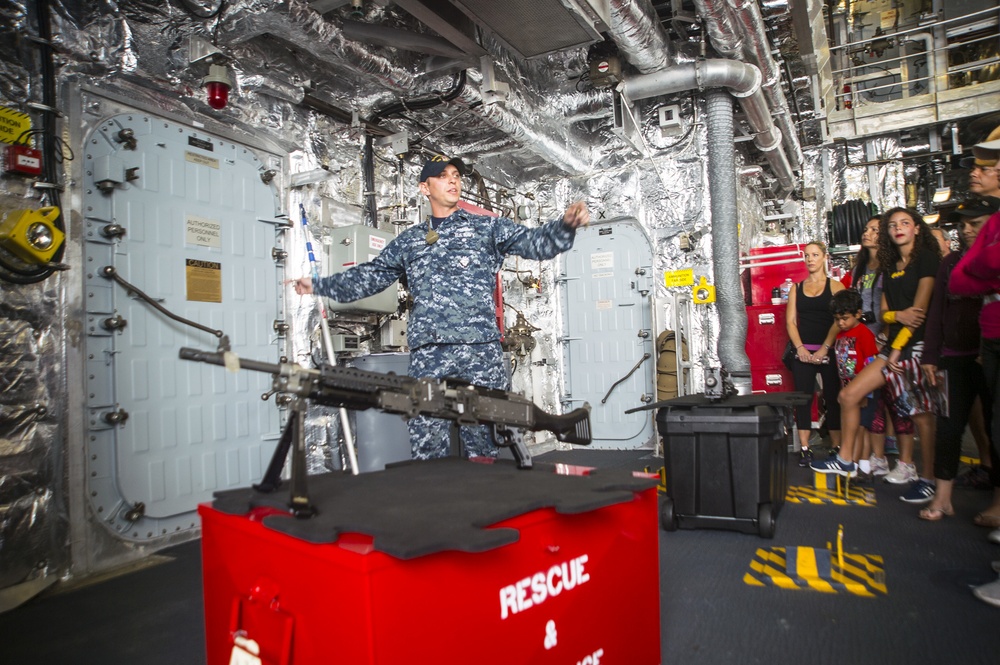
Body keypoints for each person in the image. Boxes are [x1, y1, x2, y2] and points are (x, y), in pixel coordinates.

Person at [290, 155, 590, 460]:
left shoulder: (486, 228)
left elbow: (535, 243)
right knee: (426, 439)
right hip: (430, 352)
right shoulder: (410, 241)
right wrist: (321, 285)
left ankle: (485, 501)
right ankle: (434, 501)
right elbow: (370, 277)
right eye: (443, 175)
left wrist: (565, 226)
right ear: (425, 187)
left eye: (456, 175)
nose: (453, 180)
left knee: (485, 439)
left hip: (479, 350)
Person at [812, 208, 941, 488]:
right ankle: (846, 459)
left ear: (917, 228)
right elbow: (886, 312)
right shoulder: (890, 265)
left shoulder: (926, 260)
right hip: (889, 346)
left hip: (914, 345)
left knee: (918, 415)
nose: (898, 229)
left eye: (904, 223)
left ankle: (928, 478)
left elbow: (917, 313)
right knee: (849, 396)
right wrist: (897, 316)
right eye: (892, 225)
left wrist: (895, 342)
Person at [918, 197, 997, 520]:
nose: (966, 230)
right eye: (963, 225)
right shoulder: (950, 264)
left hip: (990, 354)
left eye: (974, 224)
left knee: (995, 429)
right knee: (949, 427)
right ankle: (943, 498)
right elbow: (937, 312)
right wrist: (931, 355)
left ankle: (997, 504)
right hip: (953, 357)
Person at [786, 241, 845, 466]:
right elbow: (791, 322)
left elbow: (840, 321)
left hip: (828, 351)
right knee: (803, 399)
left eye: (814, 255)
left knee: (833, 397)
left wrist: (825, 348)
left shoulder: (836, 287)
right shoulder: (796, 288)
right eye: (807, 255)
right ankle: (804, 448)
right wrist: (800, 348)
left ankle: (837, 447)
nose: (810, 259)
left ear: (824, 257)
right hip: (803, 351)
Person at [851, 215, 893, 475]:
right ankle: (872, 458)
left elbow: (892, 306)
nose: (867, 233)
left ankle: (886, 456)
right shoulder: (861, 267)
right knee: (868, 402)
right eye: (866, 228)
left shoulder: (888, 267)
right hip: (861, 341)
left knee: (887, 401)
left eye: (874, 230)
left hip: (881, 342)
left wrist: (885, 335)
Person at [828, 289, 880, 477]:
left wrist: (866, 392)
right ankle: (854, 463)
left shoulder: (864, 334)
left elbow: (871, 362)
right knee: (851, 427)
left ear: (858, 314)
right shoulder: (841, 335)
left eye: (845, 318)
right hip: (848, 388)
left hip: (864, 391)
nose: (841, 323)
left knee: (860, 428)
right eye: (837, 319)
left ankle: (857, 463)